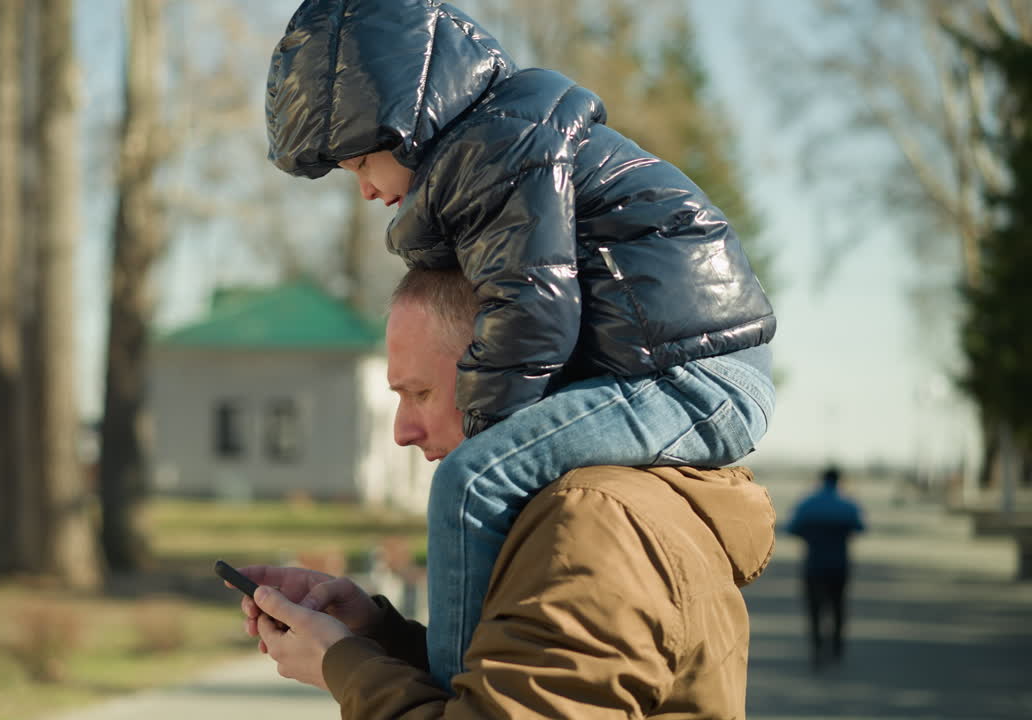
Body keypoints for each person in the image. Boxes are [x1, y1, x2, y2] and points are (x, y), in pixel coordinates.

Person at [265, 0, 777, 686]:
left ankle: (455, 687)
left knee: (473, 481)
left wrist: (481, 433)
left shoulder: (500, 152)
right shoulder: (500, 150)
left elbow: (532, 314)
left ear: (406, 124)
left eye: (360, 162)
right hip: (691, 368)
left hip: (694, 377)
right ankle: (458, 668)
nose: (363, 190)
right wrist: (375, 639)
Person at [229, 268, 777, 718]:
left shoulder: (596, 524)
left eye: (419, 393)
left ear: (520, 376)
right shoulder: (598, 506)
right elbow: (507, 690)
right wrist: (375, 636)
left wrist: (342, 663)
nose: (402, 431)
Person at [785, 465, 865, 669]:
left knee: (814, 608)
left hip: (814, 564)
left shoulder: (808, 503)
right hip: (839, 564)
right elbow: (860, 527)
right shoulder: (848, 504)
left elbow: (792, 528)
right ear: (839, 480)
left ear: (821, 479)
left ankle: (817, 646)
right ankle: (837, 647)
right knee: (838, 606)